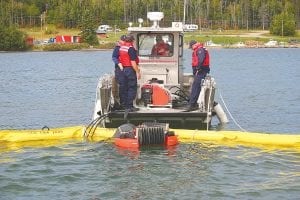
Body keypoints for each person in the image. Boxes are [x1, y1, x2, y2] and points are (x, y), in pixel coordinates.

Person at [185, 40, 210, 111]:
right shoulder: (199, 49)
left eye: (191, 47)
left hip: (200, 71)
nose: (191, 49)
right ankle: (193, 103)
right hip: (199, 71)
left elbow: (201, 59)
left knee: (195, 87)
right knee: (196, 87)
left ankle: (192, 105)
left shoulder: (200, 50)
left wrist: (198, 68)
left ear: (193, 45)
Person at [118, 34, 141, 112]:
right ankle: (130, 106)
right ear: (132, 41)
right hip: (130, 69)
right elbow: (133, 62)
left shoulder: (122, 48)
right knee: (132, 87)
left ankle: (124, 105)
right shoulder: (130, 49)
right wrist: (138, 72)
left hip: (123, 70)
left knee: (124, 88)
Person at [112, 35, 127, 109]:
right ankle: (122, 103)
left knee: (128, 85)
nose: (124, 42)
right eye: (123, 40)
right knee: (122, 85)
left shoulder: (129, 47)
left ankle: (127, 102)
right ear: (120, 40)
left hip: (128, 68)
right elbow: (114, 57)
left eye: (125, 40)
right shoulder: (117, 48)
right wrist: (118, 63)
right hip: (119, 68)